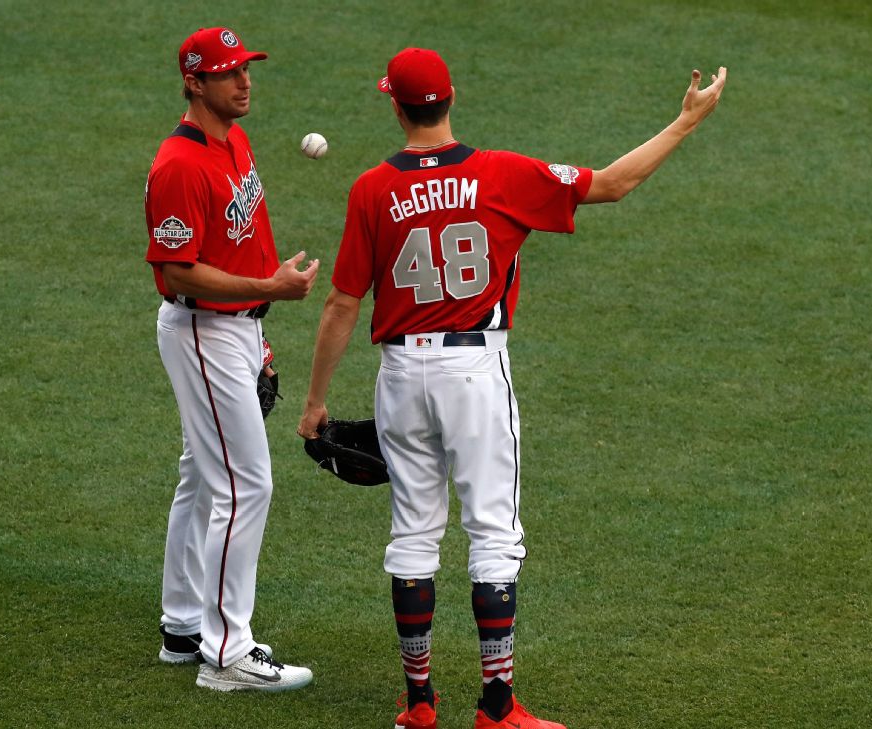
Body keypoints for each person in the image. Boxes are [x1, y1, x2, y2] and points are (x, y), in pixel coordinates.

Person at [297, 48, 726, 728]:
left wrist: (316, 402)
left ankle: (418, 704)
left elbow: (341, 305)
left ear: (396, 105)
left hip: (402, 374)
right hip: (474, 373)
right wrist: (685, 122)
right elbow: (612, 184)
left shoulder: (371, 188)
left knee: (413, 537)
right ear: (451, 98)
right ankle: (498, 705)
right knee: (492, 533)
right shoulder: (500, 173)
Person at [145, 26, 318, 693]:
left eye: (246, 69)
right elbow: (177, 273)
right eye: (228, 74)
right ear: (194, 82)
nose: (244, 82)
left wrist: (261, 330)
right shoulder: (178, 166)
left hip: (235, 331)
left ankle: (185, 625)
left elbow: (240, 244)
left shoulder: (235, 140)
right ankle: (228, 656)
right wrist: (268, 291)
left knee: (202, 475)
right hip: (201, 330)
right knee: (245, 484)